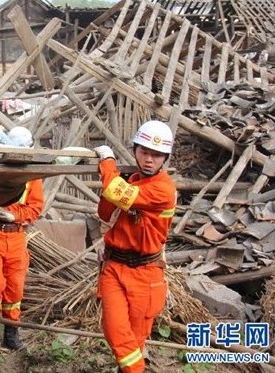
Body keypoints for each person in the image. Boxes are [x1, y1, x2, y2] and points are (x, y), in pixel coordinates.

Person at [94, 120, 177, 373]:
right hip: (114, 267)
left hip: (146, 273)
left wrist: (107, 163)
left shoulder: (164, 189)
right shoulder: (131, 181)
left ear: (165, 158)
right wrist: (117, 183)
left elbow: (116, 193)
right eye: (144, 152)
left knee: (135, 339)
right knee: (115, 330)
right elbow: (104, 211)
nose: (149, 159)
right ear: (135, 151)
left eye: (156, 155)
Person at [0, 127, 44, 349]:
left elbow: (35, 208)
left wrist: (15, 215)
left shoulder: (33, 177)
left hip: (16, 236)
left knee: (15, 288)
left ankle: (11, 333)